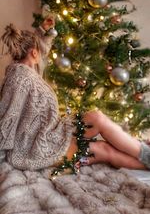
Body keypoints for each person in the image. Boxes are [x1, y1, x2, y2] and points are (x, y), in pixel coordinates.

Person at [0, 24, 150, 172]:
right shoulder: (19, 79)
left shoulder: (28, 71)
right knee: (103, 149)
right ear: (34, 53)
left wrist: (41, 31)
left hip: (52, 134)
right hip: (35, 149)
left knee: (96, 117)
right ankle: (146, 155)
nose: (42, 54)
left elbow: (41, 50)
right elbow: (7, 118)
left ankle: (144, 151)